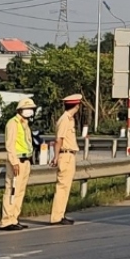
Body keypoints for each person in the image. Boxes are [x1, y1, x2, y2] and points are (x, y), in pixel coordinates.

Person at [2, 97, 38, 231]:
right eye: (27, 109)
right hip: (16, 161)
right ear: (20, 110)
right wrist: (14, 161)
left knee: (20, 191)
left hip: (26, 161)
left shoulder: (25, 124)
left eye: (31, 109)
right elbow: (10, 144)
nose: (29, 111)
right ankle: (7, 220)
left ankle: (14, 218)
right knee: (11, 190)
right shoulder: (13, 123)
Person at [49, 94, 83, 226]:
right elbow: (59, 139)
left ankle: (60, 214)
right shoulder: (65, 120)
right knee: (62, 187)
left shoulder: (69, 119)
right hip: (65, 155)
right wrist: (56, 156)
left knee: (65, 187)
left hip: (69, 154)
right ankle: (57, 216)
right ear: (76, 105)